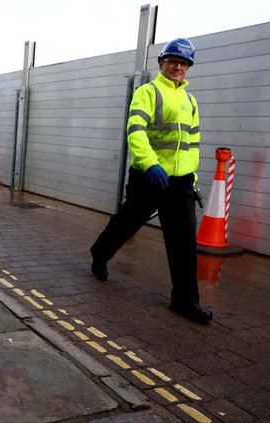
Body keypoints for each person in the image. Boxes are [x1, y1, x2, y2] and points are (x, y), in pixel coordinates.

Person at [90, 38, 213, 324]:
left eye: (183, 63)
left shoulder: (190, 101)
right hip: (149, 176)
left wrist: (191, 178)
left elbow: (191, 144)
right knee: (127, 223)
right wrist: (150, 164)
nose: (178, 67)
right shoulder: (148, 92)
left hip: (180, 183)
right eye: (173, 61)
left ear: (189, 68)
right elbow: (136, 131)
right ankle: (99, 254)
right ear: (162, 63)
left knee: (183, 242)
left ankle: (185, 302)